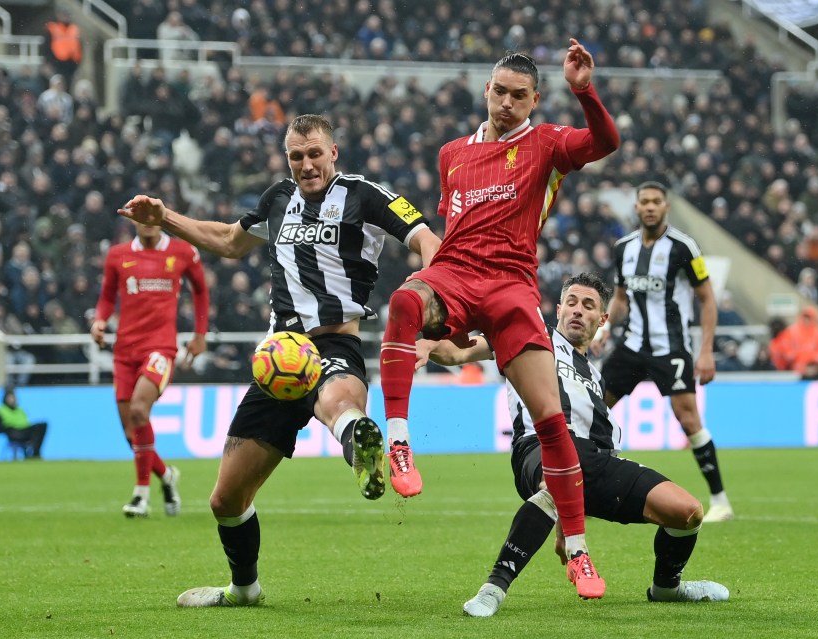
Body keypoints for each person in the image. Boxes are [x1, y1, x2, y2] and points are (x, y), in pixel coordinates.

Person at [117, 114, 440, 607]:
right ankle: (245, 589)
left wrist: (423, 295)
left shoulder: (366, 196)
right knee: (225, 500)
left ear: (334, 153)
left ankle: (360, 442)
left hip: (334, 343)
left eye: (315, 154)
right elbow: (228, 241)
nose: (306, 165)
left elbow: (426, 241)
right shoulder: (276, 200)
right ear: (286, 159)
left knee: (339, 401)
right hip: (278, 359)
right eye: (296, 156)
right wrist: (166, 218)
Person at [377, 40, 619, 599]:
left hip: (512, 286)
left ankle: (578, 552)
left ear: (534, 100)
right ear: (486, 90)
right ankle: (398, 439)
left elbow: (606, 142)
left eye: (519, 96)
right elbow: (453, 229)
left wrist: (584, 91)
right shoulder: (452, 154)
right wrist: (434, 302)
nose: (507, 102)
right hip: (457, 273)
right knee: (405, 302)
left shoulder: (547, 142)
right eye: (499, 92)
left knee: (551, 421)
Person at [416, 273, 729, 616]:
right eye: (572, 303)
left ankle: (667, 588)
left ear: (603, 319)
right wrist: (429, 344)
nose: (578, 311)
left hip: (589, 459)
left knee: (687, 512)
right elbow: (457, 353)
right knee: (556, 478)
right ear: (560, 309)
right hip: (536, 445)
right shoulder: (529, 336)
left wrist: (568, 526)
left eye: (589, 305)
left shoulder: (596, 378)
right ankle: (493, 588)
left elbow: (599, 455)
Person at [592, 182, 734, 523]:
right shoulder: (624, 247)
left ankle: (720, 500)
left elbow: (707, 299)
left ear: (666, 206)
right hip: (631, 346)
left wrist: (706, 352)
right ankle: (586, 490)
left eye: (656, 201)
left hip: (670, 347)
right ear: (637, 208)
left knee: (688, 419)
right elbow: (622, 298)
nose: (651, 207)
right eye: (645, 202)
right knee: (593, 409)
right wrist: (606, 327)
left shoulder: (684, 247)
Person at [91, 221, 210, 518]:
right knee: (131, 433)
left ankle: (140, 496)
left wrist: (199, 334)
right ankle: (167, 476)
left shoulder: (183, 252)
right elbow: (107, 296)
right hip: (124, 351)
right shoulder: (117, 255)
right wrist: (100, 320)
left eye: (150, 216)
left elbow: (200, 291)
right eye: (139, 217)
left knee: (139, 410)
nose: (146, 222)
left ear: (159, 218)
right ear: (132, 220)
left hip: (160, 348)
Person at [769, 306, 818, 378]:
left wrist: (811, 360)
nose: (806, 320)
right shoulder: (792, 331)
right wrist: (796, 358)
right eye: (805, 317)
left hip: (813, 370)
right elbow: (785, 348)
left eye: (809, 318)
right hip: (794, 370)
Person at [0, 388, 48, 459]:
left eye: (13, 397)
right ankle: (33, 454)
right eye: (9, 398)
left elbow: (25, 423)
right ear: (5, 398)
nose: (11, 399)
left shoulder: (20, 410)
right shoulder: (0, 410)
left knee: (42, 426)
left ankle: (35, 452)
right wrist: (8, 429)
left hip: (24, 431)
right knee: (34, 432)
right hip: (13, 432)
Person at [43, 9, 82, 84]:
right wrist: (47, 61)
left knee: (68, 84)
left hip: (71, 63)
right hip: (56, 62)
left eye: (67, 15)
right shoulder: (53, 27)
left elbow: (79, 47)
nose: (65, 17)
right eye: (63, 15)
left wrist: (78, 64)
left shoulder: (74, 29)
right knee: (56, 82)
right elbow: (46, 46)